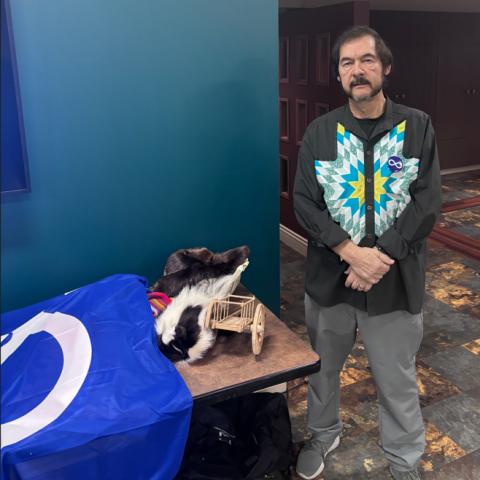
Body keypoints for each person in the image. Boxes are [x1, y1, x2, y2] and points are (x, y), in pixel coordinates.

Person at [293, 26, 441, 480]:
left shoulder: (416, 126)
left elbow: (427, 201)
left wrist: (378, 259)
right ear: (339, 75)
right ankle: (323, 432)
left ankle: (404, 459)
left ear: (386, 68)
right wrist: (348, 252)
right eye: (347, 63)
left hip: (394, 282)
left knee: (396, 379)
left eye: (367, 60)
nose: (357, 70)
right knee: (322, 370)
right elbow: (303, 200)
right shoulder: (320, 132)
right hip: (330, 281)